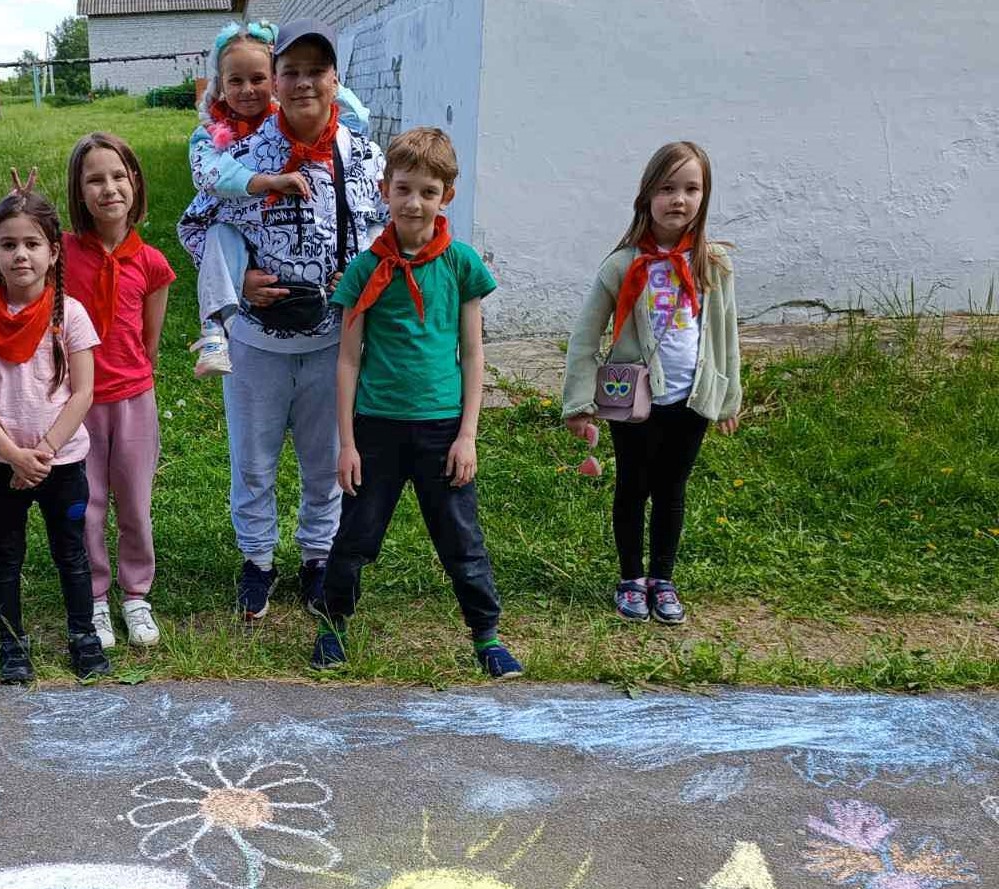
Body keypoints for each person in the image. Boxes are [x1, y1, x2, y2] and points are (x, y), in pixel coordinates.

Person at [177, 18, 388, 621]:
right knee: (254, 462)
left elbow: (384, 235)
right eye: (290, 72)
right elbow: (194, 225)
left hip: (332, 344)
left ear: (334, 78)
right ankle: (257, 563)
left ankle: (317, 558)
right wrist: (238, 282)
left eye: (314, 71)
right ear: (278, 81)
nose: (302, 83)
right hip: (255, 343)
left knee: (324, 463)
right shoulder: (239, 156)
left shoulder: (366, 159)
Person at [315, 128, 523, 679]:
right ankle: (332, 627)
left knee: (462, 540)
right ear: (384, 189)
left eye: (428, 191)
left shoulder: (460, 265)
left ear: (446, 196)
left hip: (441, 429)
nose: (414, 202)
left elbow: (473, 354)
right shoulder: (365, 270)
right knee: (355, 538)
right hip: (376, 428)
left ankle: (487, 636)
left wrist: (467, 434)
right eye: (403, 189)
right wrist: (347, 443)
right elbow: (348, 361)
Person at [561, 141, 742, 625]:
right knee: (633, 486)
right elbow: (585, 336)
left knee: (672, 488)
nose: (678, 200)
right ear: (646, 195)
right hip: (633, 400)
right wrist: (579, 402)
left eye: (690, 188)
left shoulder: (715, 266)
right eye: (667, 188)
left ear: (704, 196)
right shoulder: (622, 266)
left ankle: (663, 578)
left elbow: (726, 336)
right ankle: (630, 579)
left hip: (692, 399)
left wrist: (727, 398)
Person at [0, 188, 111, 683]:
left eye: (32, 243)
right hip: (1, 464)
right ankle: (11, 641)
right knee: (5, 553)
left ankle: (83, 635)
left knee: (71, 552)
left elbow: (83, 393)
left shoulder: (71, 315)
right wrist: (13, 455)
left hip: (61, 463)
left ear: (53, 252)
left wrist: (42, 453)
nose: (20, 254)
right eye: (7, 245)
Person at [185, 19, 371, 377]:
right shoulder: (217, 141)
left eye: (258, 78)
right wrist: (265, 181)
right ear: (219, 85)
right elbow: (200, 207)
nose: (248, 91)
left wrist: (321, 81)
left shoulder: (345, 146)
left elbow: (358, 121)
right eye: (235, 80)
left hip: (332, 336)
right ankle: (213, 330)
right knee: (217, 235)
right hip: (259, 338)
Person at [63, 133, 175, 650]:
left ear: (135, 183)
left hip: (133, 399)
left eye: (117, 175)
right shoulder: (60, 252)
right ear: (79, 192)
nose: (108, 188)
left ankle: (136, 594)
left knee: (134, 500)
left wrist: (134, 378)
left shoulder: (152, 262)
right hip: (76, 400)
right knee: (88, 503)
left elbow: (149, 343)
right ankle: (96, 597)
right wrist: (21, 211)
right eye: (94, 179)